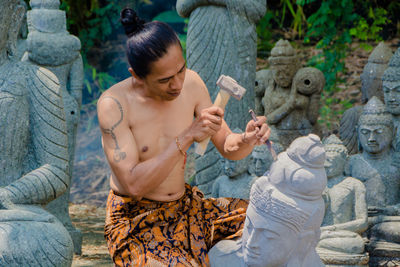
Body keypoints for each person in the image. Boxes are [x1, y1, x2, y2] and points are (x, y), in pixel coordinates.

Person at [98, 8, 270, 267]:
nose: (177, 84)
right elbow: (134, 185)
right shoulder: (114, 105)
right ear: (137, 76)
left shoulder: (191, 83)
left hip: (186, 207)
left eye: (181, 70)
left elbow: (227, 146)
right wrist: (187, 136)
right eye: (165, 79)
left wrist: (246, 139)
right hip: (136, 220)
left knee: (269, 218)